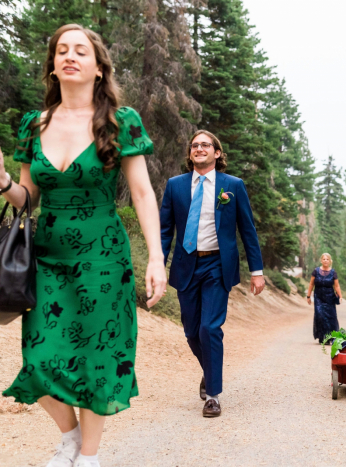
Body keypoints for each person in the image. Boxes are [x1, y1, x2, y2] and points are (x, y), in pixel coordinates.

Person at [0, 24, 166, 467]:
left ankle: (88, 458)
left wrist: (156, 257)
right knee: (39, 359)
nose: (70, 56)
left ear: (98, 68)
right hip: (46, 258)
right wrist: (3, 185)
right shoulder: (33, 125)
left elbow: (143, 194)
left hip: (102, 259)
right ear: (53, 67)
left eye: (81, 51)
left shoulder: (120, 121)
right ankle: (70, 437)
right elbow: (29, 196)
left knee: (99, 357)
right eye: (61, 51)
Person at [160, 129, 265, 418]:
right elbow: (165, 229)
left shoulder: (233, 186)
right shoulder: (175, 186)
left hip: (218, 266)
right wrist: (157, 262)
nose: (199, 148)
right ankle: (210, 369)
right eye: (195, 145)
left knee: (209, 328)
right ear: (190, 153)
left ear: (217, 153)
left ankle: (214, 395)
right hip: (186, 265)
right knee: (192, 331)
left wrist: (257, 271)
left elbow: (247, 230)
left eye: (205, 145)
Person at [306, 253, 342, 343]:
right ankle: (322, 337)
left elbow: (337, 286)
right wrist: (308, 296)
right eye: (324, 259)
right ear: (321, 260)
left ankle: (331, 337)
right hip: (318, 297)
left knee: (331, 316)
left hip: (330, 297)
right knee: (320, 316)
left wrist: (340, 296)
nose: (325, 260)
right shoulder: (316, 271)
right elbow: (311, 284)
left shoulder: (333, 272)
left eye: (327, 259)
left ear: (330, 261)